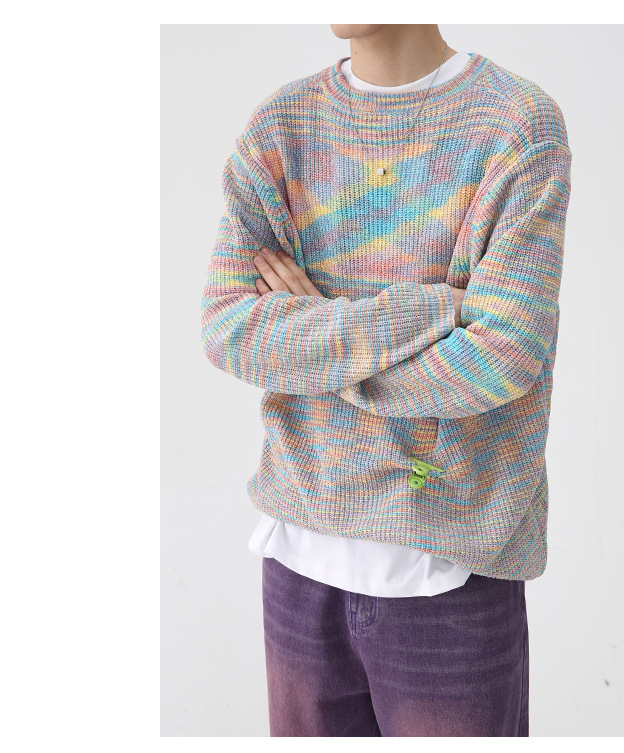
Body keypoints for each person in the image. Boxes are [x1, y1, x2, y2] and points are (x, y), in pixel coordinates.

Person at [200, 23, 572, 737]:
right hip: (297, 552)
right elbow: (229, 327)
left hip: (451, 565)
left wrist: (316, 339)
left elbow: (502, 357)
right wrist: (431, 312)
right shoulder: (281, 127)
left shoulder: (517, 126)